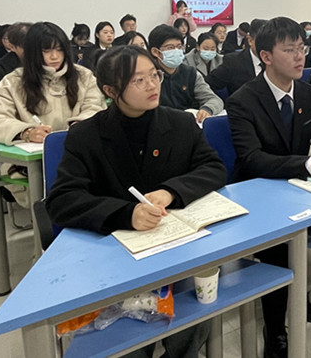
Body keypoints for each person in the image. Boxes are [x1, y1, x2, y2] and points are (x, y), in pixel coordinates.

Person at [45, 45, 226, 358]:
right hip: (115, 257)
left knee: (191, 320)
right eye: (138, 80)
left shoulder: (180, 124)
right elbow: (62, 200)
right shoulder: (86, 136)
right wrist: (126, 214)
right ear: (110, 90)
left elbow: (213, 168)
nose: (152, 85)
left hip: (176, 250)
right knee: (128, 345)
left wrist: (171, 191)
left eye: (154, 75)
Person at [226, 17, 311, 357]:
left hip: (302, 190)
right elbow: (252, 159)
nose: (300, 57)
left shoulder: (308, 93)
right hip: (260, 193)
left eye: (301, 48)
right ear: (266, 57)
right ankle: (275, 329)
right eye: (289, 50)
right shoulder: (243, 100)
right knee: (279, 250)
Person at [0, 22, 105, 206]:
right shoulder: (13, 82)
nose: (54, 56)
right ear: (33, 53)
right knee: (53, 195)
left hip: (79, 155)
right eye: (46, 51)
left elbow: (95, 107)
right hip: (32, 164)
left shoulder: (83, 76)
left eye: (59, 49)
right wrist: (26, 132)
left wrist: (79, 125)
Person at [147, 24, 223, 122]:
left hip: (187, 123)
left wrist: (206, 109)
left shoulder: (190, 73)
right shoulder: (147, 76)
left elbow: (214, 100)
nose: (176, 51)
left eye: (179, 47)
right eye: (170, 48)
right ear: (156, 52)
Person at [207, 19, 266, 97]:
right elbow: (207, 85)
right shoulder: (233, 62)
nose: (268, 46)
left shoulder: (277, 61)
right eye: (263, 41)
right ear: (250, 40)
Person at [0, 22, 32, 103]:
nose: (33, 50)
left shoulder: (47, 60)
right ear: (12, 47)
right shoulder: (2, 64)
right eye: (26, 47)